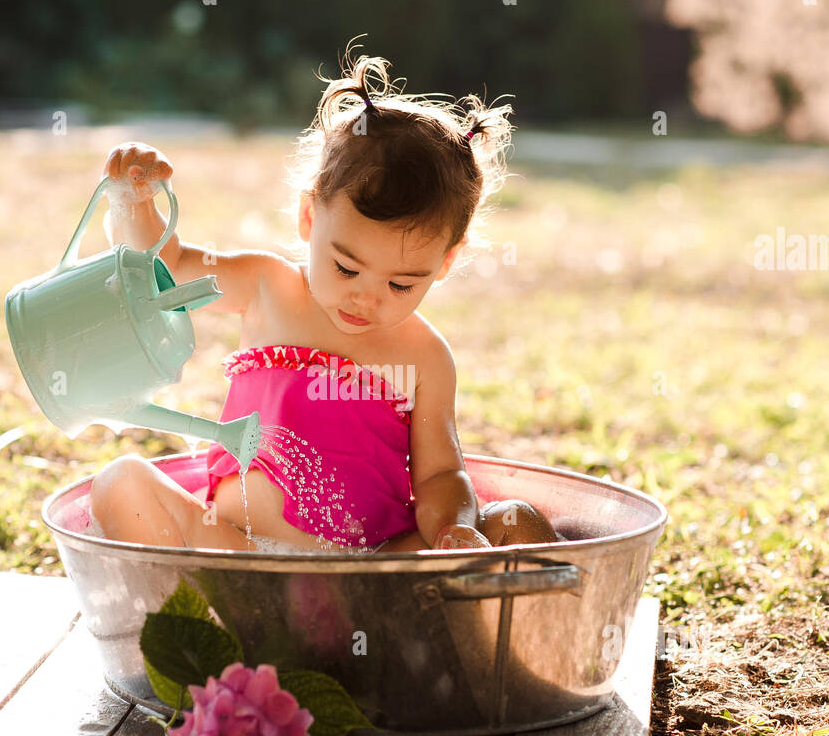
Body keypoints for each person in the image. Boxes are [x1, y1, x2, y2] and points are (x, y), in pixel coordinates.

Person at [91, 46, 559, 553]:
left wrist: (453, 528)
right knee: (123, 482)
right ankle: (210, 617)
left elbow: (440, 473)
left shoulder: (424, 358)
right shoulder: (266, 286)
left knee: (516, 521)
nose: (366, 296)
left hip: (368, 570)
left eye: (401, 284)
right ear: (310, 218)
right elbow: (167, 270)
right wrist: (133, 202)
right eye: (345, 267)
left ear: (446, 262)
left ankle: (481, 624)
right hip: (240, 557)